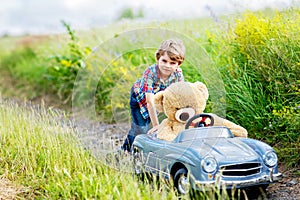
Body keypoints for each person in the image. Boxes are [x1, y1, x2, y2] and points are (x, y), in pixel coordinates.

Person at [121, 38, 186, 152]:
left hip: (156, 100)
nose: (167, 66)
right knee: (141, 129)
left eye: (172, 63)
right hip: (139, 100)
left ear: (178, 64)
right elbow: (150, 102)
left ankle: (133, 149)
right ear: (158, 59)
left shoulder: (178, 75)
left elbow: (178, 96)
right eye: (164, 61)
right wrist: (156, 125)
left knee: (151, 128)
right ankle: (127, 152)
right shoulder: (150, 72)